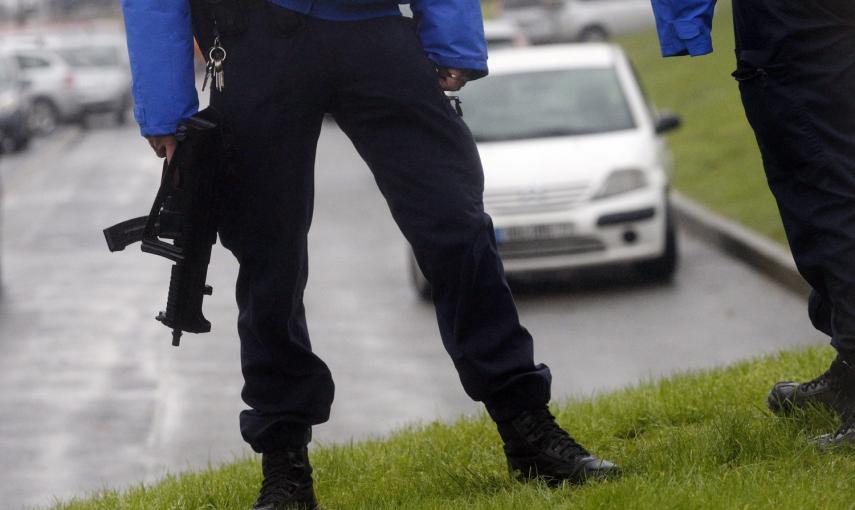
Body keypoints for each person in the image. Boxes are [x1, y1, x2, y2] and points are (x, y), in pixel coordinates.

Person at [120, 0, 618, 508]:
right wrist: (163, 104)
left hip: (372, 27)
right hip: (255, 38)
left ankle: (528, 430)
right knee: (270, 261)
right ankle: (285, 467)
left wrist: (452, 37)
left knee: (456, 225)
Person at [650, 0, 855, 445]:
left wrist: (684, 24)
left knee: (828, 195)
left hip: (796, 26)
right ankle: (849, 372)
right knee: (826, 184)